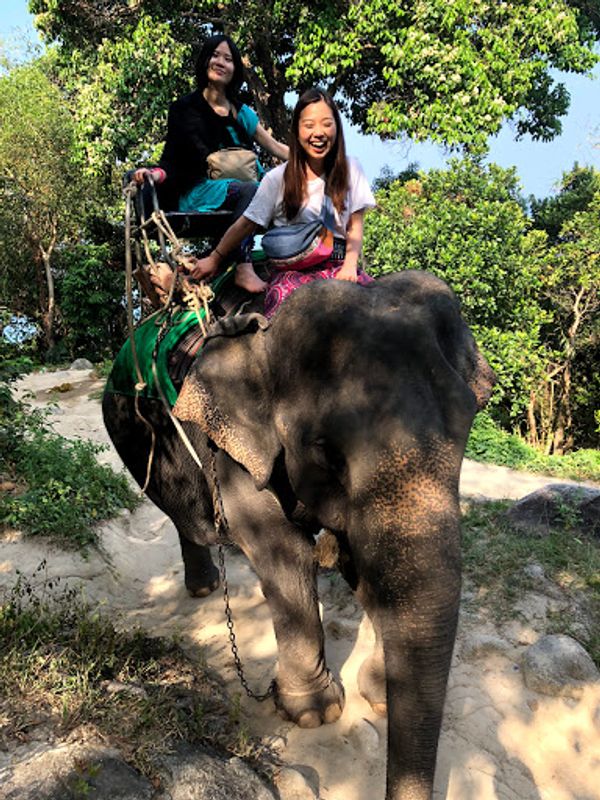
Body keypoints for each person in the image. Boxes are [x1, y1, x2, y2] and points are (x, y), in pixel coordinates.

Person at [187, 88, 376, 317]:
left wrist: (349, 266)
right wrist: (215, 258)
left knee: (382, 320)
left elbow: (355, 225)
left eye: (327, 124)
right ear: (297, 131)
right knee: (282, 327)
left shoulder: (351, 168)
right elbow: (246, 224)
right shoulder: (277, 178)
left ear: (337, 128)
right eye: (309, 125)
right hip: (292, 273)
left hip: (339, 265)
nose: (319, 133)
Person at [133, 34, 289, 293]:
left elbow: (277, 148)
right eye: (215, 55)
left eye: (228, 59)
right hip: (202, 190)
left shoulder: (242, 112)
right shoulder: (185, 109)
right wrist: (154, 175)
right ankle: (243, 267)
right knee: (252, 192)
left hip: (247, 190)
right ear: (205, 60)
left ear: (235, 68)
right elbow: (172, 159)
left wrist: (318, 161)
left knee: (283, 192)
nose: (221, 62)